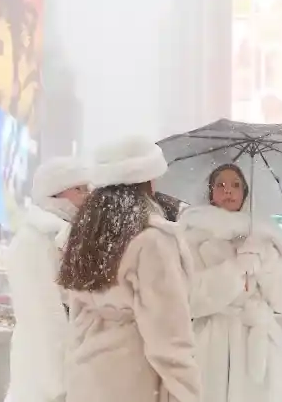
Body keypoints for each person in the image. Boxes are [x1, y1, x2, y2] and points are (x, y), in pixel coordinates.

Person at [59, 135, 199, 402]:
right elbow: (169, 337)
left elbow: (76, 313)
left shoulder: (86, 234)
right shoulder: (152, 239)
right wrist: (186, 393)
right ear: (146, 180)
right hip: (133, 378)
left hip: (87, 375)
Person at [178, 163, 282, 402]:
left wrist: (264, 260)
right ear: (209, 192)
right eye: (220, 185)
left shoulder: (265, 237)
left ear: (245, 192)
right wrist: (235, 270)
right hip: (210, 349)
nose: (228, 190)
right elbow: (189, 299)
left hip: (258, 352)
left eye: (236, 185)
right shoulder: (191, 238)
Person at [5, 157, 90, 402]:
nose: (87, 196)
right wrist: (60, 378)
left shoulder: (59, 234)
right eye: (79, 189)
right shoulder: (41, 239)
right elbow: (46, 313)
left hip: (52, 364)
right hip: (49, 370)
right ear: (55, 192)